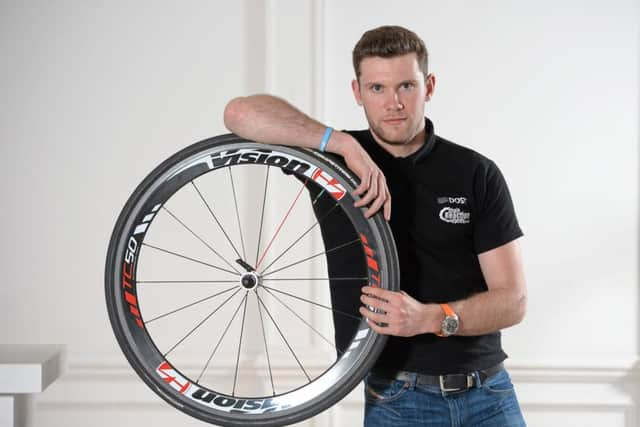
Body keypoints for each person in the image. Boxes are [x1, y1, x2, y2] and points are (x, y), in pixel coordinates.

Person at [224, 25, 527, 427]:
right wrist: (344, 146)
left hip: (489, 395)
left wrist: (431, 317)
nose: (394, 103)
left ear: (429, 86)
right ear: (357, 92)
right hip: (399, 398)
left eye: (406, 86)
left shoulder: (476, 172)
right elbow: (239, 114)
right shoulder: (334, 166)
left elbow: (513, 301)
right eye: (377, 89)